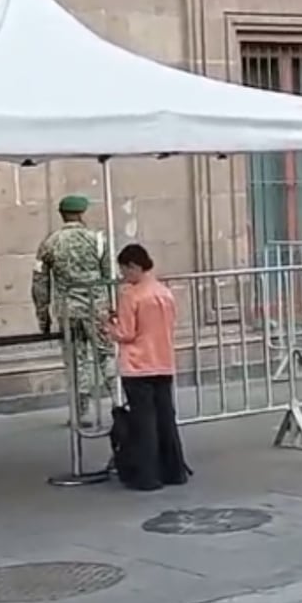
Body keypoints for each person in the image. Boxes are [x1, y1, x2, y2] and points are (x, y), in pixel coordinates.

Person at [103, 244, 188, 491]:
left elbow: (126, 333)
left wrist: (107, 326)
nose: (123, 276)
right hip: (163, 360)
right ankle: (174, 470)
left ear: (135, 266)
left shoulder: (131, 295)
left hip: (139, 364)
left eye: (125, 270)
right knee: (165, 418)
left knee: (144, 423)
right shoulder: (165, 292)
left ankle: (147, 476)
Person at [32, 194, 113, 427]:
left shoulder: (50, 243)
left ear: (62, 214)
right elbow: (109, 277)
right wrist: (113, 308)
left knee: (76, 362)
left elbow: (40, 282)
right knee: (105, 355)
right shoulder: (97, 240)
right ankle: (120, 403)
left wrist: (42, 316)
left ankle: (80, 413)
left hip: (67, 310)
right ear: (82, 213)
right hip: (97, 309)